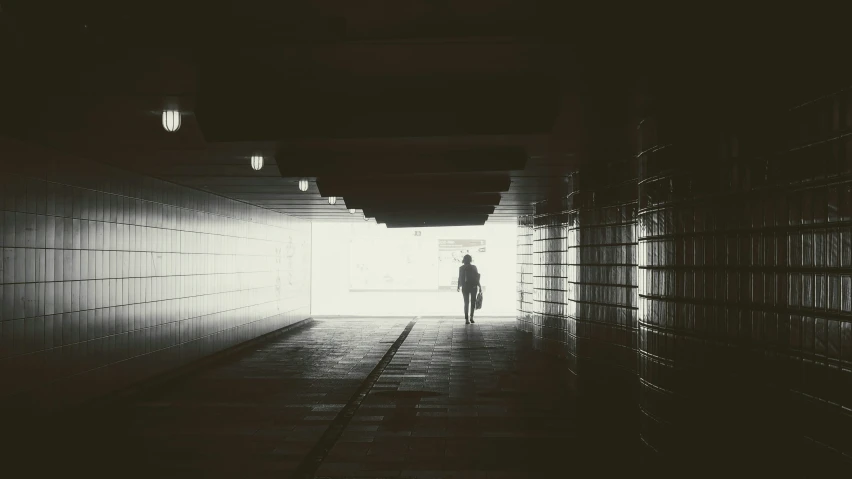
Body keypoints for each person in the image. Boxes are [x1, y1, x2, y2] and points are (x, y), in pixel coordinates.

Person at [457, 254, 481, 324]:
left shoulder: (461, 267)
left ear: (464, 260)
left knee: (466, 303)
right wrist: (479, 286)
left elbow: (460, 277)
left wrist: (458, 286)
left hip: (465, 287)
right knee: (473, 302)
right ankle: (471, 318)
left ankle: (466, 319)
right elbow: (477, 277)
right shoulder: (474, 267)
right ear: (470, 260)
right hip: (473, 287)